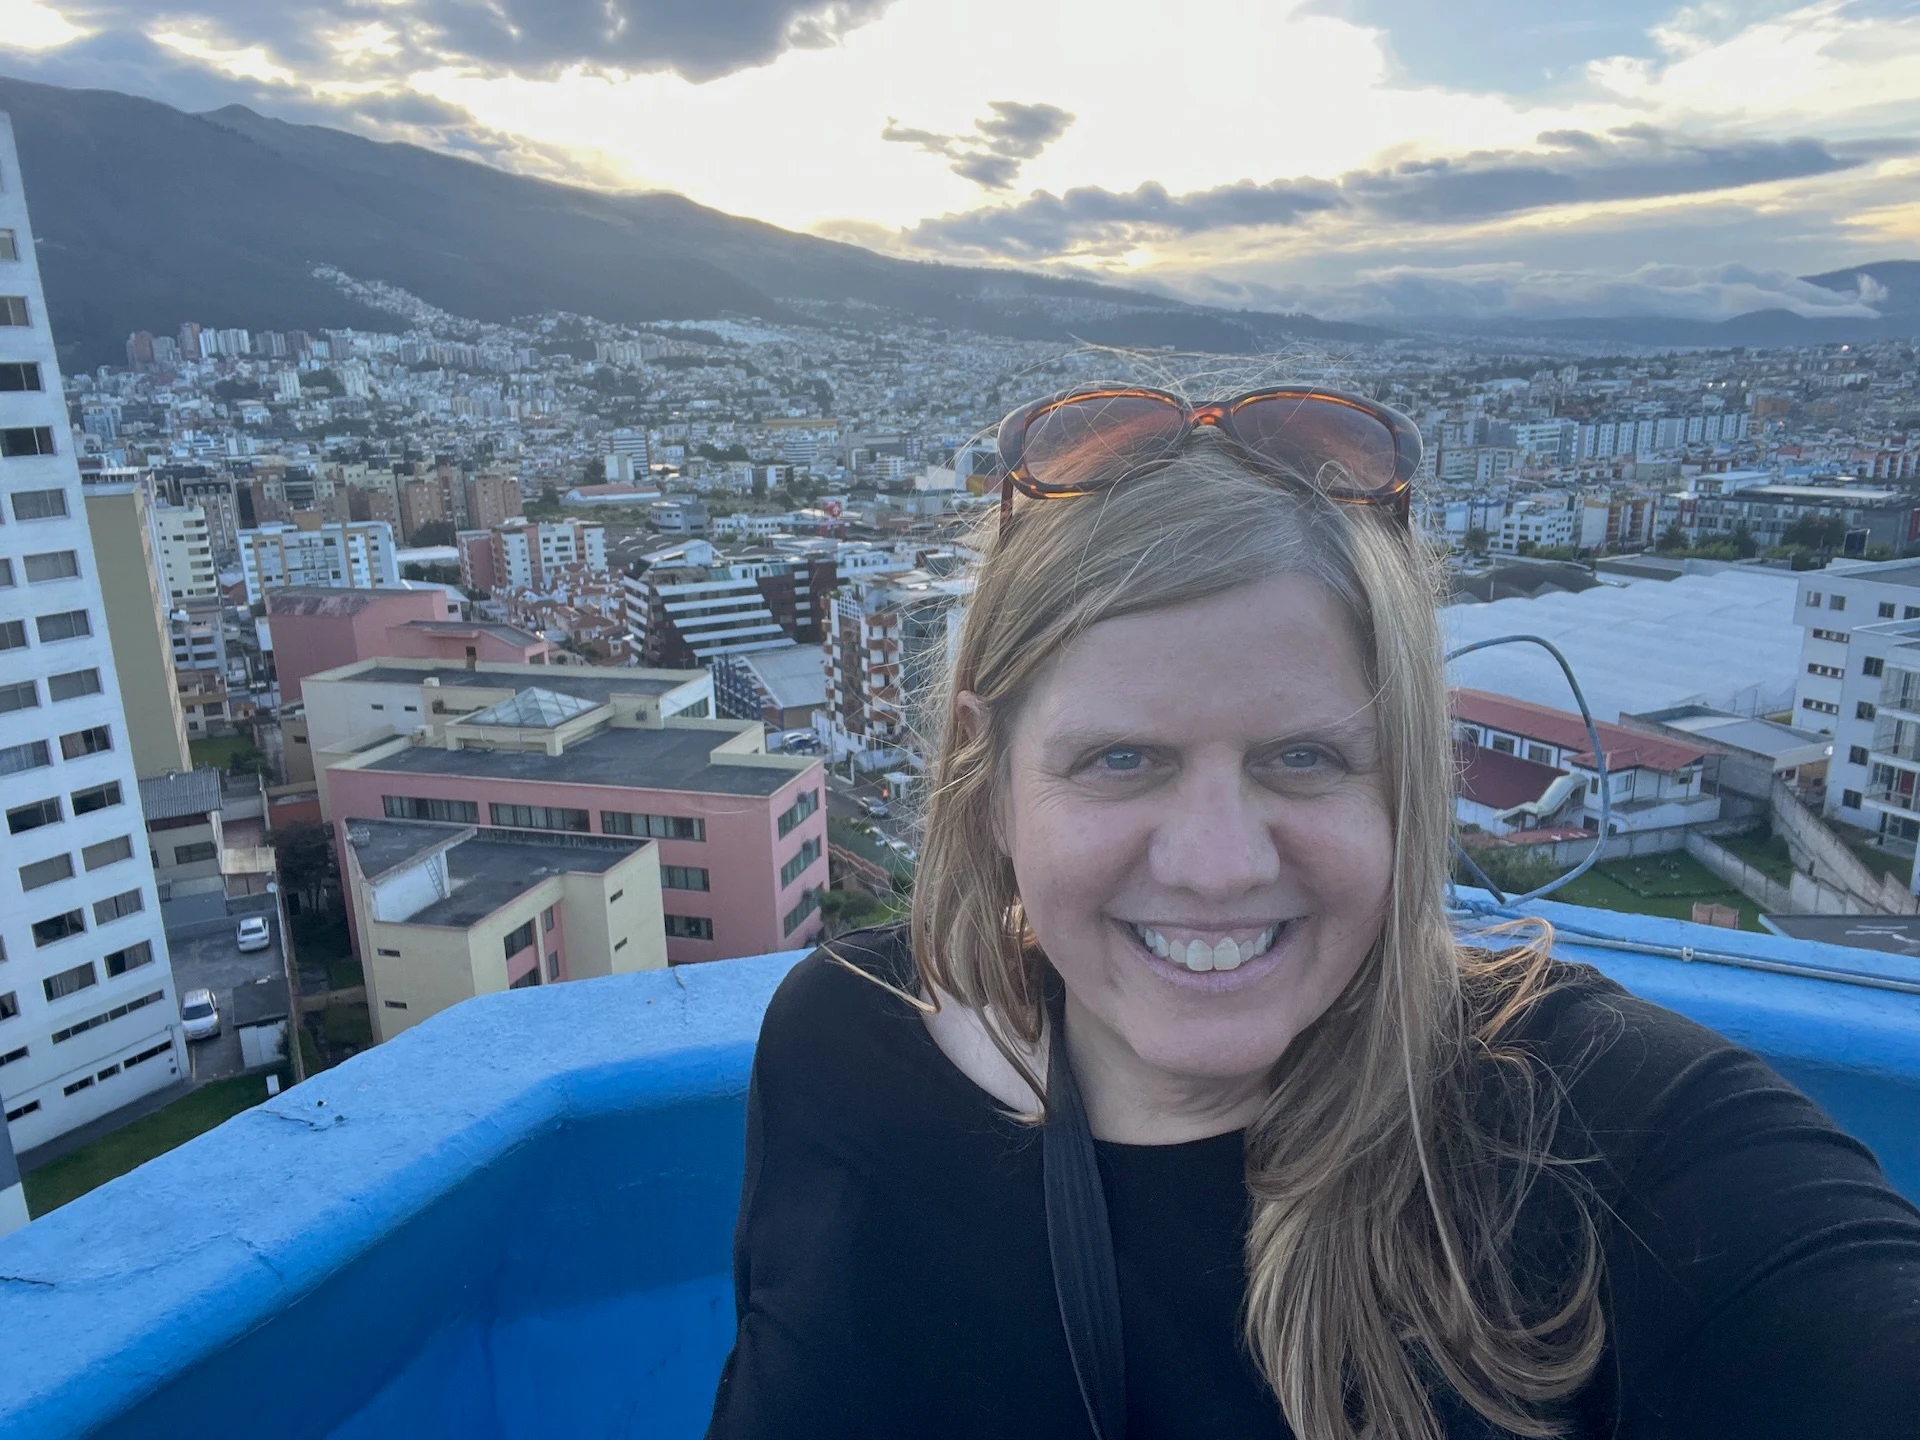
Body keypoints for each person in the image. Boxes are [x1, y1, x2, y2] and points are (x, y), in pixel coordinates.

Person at [705, 385, 1920, 1440]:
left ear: (1406, 778)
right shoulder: (846, 1042)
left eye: (1303, 757)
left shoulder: (1599, 1138)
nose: (1219, 865)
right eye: (1122, 758)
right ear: (993, 779)